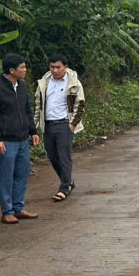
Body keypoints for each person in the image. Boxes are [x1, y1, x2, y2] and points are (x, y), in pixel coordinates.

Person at [0, 53, 40, 225]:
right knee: (6, 176)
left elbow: (27, 111)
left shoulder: (21, 86)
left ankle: (18, 208)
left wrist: (33, 131)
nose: (25, 70)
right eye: (22, 67)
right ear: (11, 70)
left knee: (22, 173)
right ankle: (6, 211)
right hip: (6, 141)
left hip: (23, 139)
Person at [34, 54, 86, 202]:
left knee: (64, 157)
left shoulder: (73, 83)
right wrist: (35, 125)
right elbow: (38, 105)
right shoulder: (44, 82)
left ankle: (64, 187)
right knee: (52, 157)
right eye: (52, 67)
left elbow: (80, 105)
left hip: (64, 124)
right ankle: (68, 181)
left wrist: (72, 125)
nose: (55, 70)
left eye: (58, 67)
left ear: (65, 67)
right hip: (48, 125)